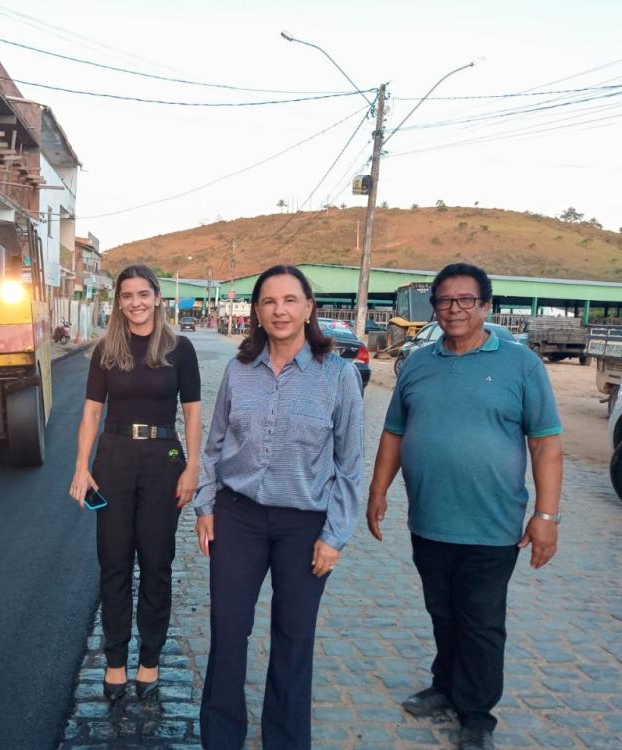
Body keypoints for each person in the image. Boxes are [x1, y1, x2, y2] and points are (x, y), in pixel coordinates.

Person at [366, 263, 563, 750]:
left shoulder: (521, 365)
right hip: (429, 520)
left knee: (480, 620)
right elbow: (394, 431)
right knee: (442, 611)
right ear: (434, 307)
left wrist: (545, 516)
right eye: (444, 301)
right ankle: (446, 685)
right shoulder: (419, 364)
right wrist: (377, 490)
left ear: (486, 306)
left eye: (465, 300)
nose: (454, 309)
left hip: (492, 526)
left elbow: (545, 444)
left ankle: (477, 715)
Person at [195, 264, 364, 749]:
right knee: (228, 632)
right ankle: (220, 739)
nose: (280, 310)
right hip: (238, 518)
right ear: (257, 311)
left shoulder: (338, 375)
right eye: (269, 301)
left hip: (303, 527)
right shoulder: (238, 370)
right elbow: (215, 445)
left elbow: (350, 465)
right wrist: (206, 507)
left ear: (309, 307)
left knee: (293, 640)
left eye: (291, 300)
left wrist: (335, 536)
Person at [70, 264, 202, 703]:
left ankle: (149, 658)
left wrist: (193, 466)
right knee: (114, 563)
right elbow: (91, 411)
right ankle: (114, 661)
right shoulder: (106, 350)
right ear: (118, 302)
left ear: (157, 298)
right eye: (127, 295)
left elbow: (193, 413)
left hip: (164, 459)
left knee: (157, 564)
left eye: (143, 294)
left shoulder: (180, 349)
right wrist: (80, 466)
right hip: (114, 460)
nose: (136, 302)